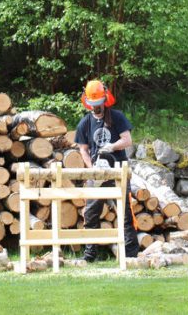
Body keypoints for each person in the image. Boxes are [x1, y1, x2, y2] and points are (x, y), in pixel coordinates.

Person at [74, 79, 139, 262]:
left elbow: (127, 140)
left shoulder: (116, 117)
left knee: (125, 211)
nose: (96, 107)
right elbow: (83, 150)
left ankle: (131, 253)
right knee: (91, 212)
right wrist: (92, 169)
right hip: (97, 172)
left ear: (105, 98)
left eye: (98, 103)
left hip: (118, 169)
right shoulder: (85, 123)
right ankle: (90, 254)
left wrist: (112, 147)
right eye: (93, 104)